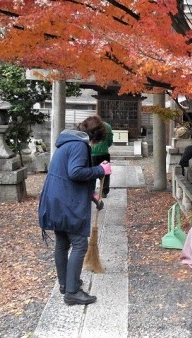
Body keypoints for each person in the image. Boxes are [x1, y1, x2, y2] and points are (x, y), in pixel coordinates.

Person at [38, 116, 113, 306]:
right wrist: (100, 170)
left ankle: (66, 284)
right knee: (79, 244)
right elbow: (75, 172)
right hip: (66, 202)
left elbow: (69, 175)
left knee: (62, 242)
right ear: (96, 137)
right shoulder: (80, 146)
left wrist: (93, 195)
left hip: (54, 199)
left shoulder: (67, 143)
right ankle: (72, 292)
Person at [91, 121, 113, 198]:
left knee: (92, 172)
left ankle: (91, 190)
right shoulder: (108, 126)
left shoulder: (91, 125)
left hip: (92, 153)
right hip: (104, 152)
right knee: (105, 173)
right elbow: (110, 142)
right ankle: (104, 191)